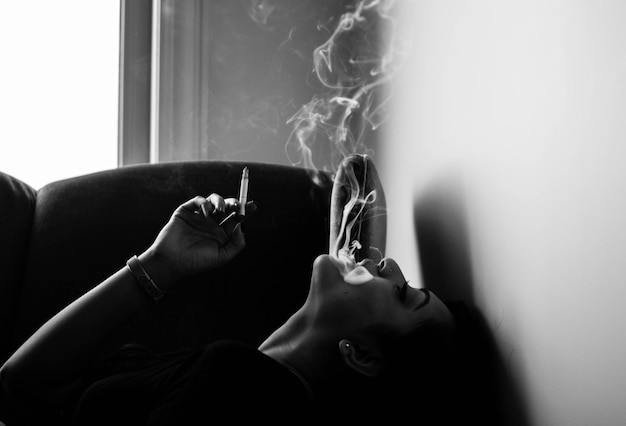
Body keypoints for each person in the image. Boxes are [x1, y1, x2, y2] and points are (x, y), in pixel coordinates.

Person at [0, 162, 468, 425]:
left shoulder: (242, 388)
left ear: (362, 355)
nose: (389, 266)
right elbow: (24, 380)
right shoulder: (251, 377)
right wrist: (160, 265)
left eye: (405, 295)